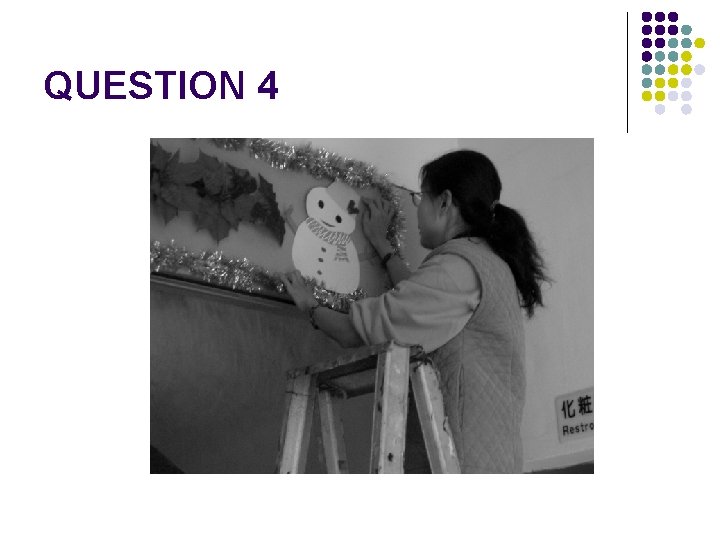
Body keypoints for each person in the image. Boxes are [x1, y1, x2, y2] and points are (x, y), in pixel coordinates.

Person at [280, 149, 548, 473]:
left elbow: (361, 329)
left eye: (421, 198)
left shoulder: (458, 270)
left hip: (461, 460)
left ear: (445, 202)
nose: (417, 209)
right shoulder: (483, 263)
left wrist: (310, 306)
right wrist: (382, 245)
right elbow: (418, 300)